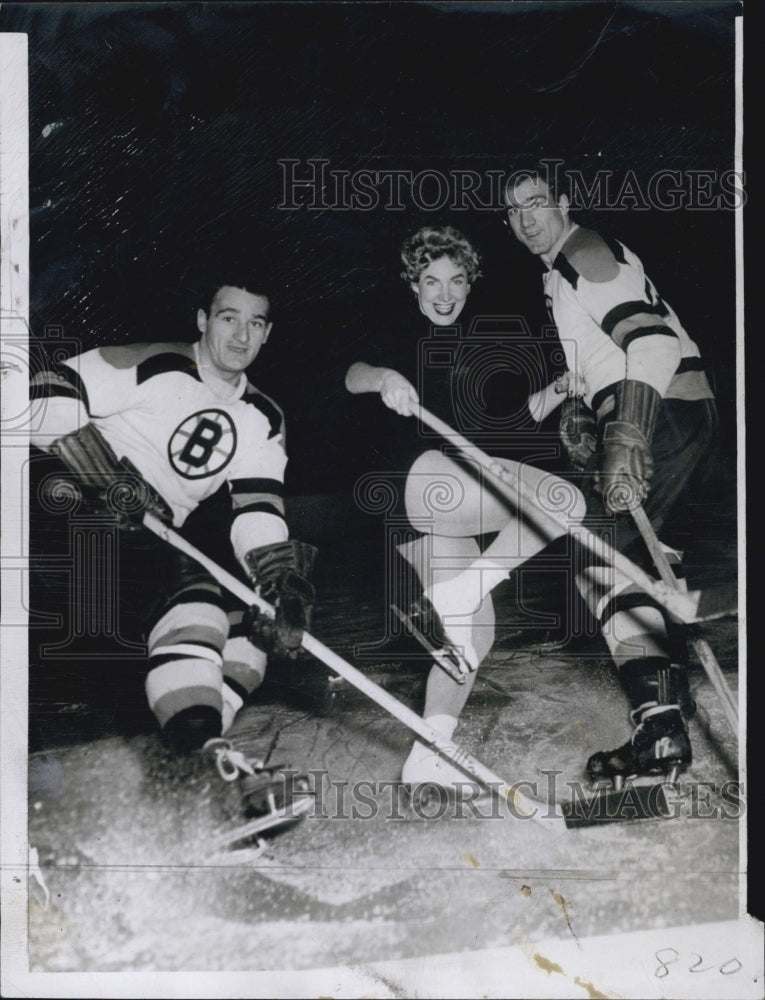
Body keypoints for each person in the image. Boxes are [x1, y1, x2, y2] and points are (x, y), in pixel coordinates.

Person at [29, 277, 317, 753]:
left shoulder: (263, 417)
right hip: (70, 517)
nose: (241, 336)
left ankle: (203, 750)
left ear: (268, 333)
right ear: (203, 320)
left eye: (255, 323)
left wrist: (278, 578)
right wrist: (106, 475)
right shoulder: (154, 362)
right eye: (229, 318)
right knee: (193, 601)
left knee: (251, 629)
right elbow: (39, 391)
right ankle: (209, 756)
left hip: (145, 544)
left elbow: (257, 508)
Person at [345, 225, 586, 790]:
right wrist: (386, 380)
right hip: (409, 480)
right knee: (562, 498)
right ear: (414, 285)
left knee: (472, 639)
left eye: (456, 280)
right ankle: (466, 587)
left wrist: (558, 390)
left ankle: (429, 752)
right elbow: (351, 374)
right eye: (431, 281)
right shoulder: (397, 329)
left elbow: (500, 427)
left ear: (471, 282)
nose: (444, 293)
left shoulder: (480, 344)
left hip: (433, 507)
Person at [502, 166, 718, 786]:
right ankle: (670, 711)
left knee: (597, 558)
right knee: (640, 563)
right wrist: (580, 399)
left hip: (662, 414)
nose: (527, 218)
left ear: (563, 203)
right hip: (674, 414)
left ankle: (661, 727)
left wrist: (625, 432)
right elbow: (610, 354)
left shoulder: (582, 254)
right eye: (514, 210)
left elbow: (652, 345)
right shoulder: (563, 270)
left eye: (537, 202)